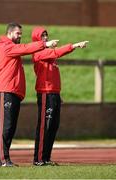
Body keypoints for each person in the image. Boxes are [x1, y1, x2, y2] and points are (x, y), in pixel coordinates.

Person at [0, 22, 59, 167]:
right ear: (9, 34)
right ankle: (2, 161)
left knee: (10, 128)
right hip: (5, 91)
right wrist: (44, 44)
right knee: (5, 127)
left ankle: (5, 160)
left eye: (21, 34)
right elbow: (26, 48)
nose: (20, 36)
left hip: (13, 92)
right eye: (17, 33)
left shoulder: (12, 48)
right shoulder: (6, 46)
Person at [31, 26, 89, 166]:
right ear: (37, 38)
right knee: (45, 126)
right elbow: (57, 52)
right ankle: (38, 159)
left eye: (46, 35)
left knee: (53, 126)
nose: (45, 37)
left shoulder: (48, 55)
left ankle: (46, 158)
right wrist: (74, 45)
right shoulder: (38, 52)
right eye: (42, 35)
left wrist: (57, 94)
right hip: (45, 93)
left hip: (54, 94)